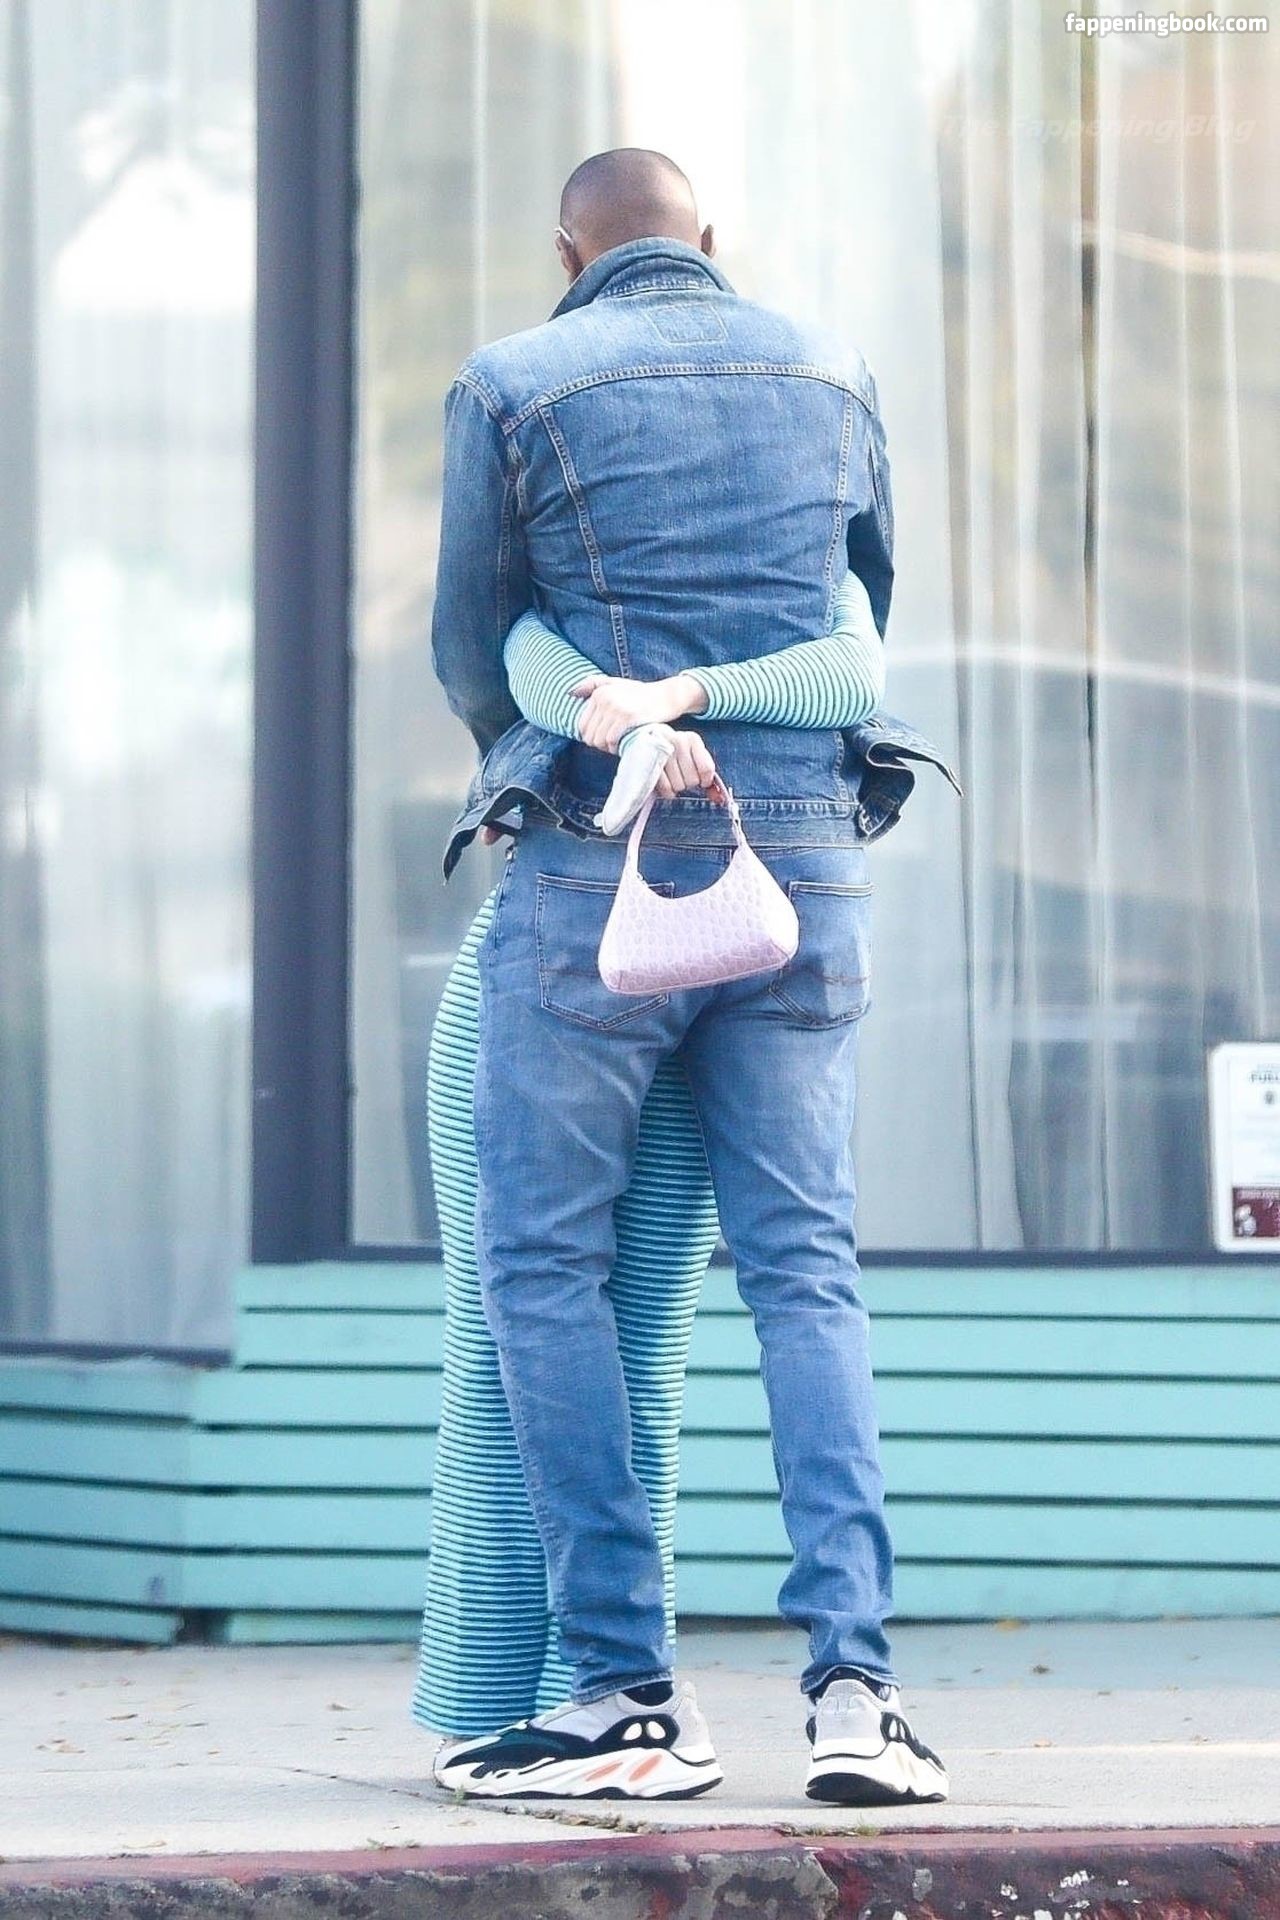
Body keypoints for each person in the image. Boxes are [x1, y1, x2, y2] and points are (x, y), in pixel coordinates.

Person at [428, 147, 950, 1807]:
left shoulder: (510, 383)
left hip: (601, 858)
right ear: (711, 238)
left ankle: (625, 1698)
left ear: (562, 252)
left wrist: (590, 722)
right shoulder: (832, 368)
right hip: (806, 865)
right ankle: (857, 1699)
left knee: (546, 1264)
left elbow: (474, 639)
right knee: (804, 1270)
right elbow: (861, 618)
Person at [414, 575, 884, 1741]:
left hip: (581, 912)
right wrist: (670, 708)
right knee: (736, 1303)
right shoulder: (799, 527)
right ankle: (846, 1688)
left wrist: (637, 713)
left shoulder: (570, 536)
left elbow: (490, 649)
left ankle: (597, 1700)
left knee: (522, 1321)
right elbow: (852, 660)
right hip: (767, 893)